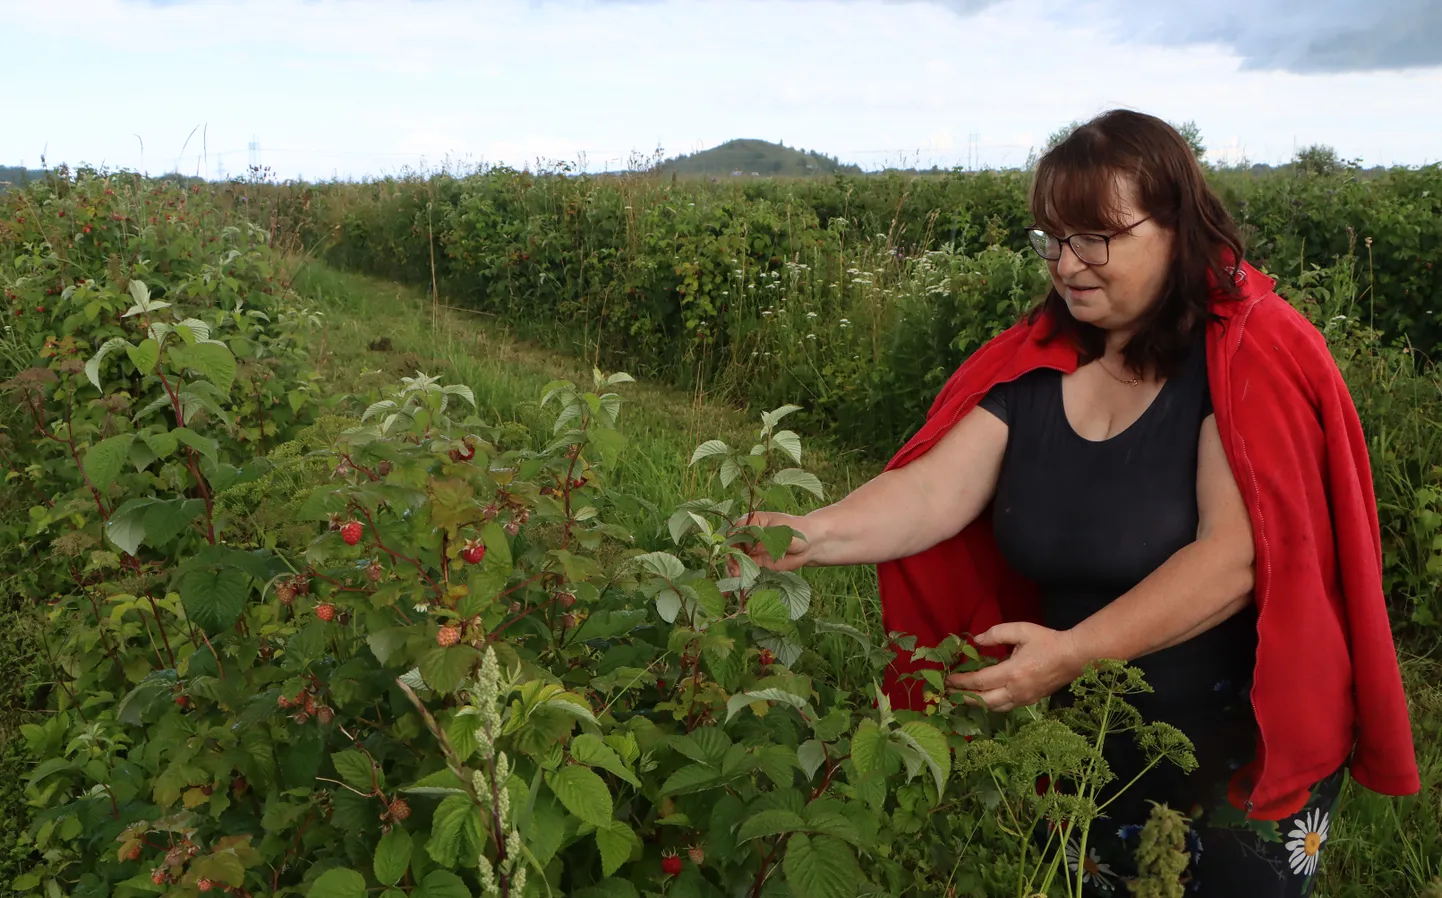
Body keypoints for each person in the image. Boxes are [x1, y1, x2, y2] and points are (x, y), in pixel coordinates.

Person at [739, 110, 1419, 896]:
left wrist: (1069, 654)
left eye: (1094, 238)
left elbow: (1233, 560)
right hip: (1089, 750)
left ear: (1175, 227)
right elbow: (932, 491)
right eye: (1051, 239)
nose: (1066, 264)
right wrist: (810, 534)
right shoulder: (1036, 365)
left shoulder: (1242, 361)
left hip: (1240, 754)